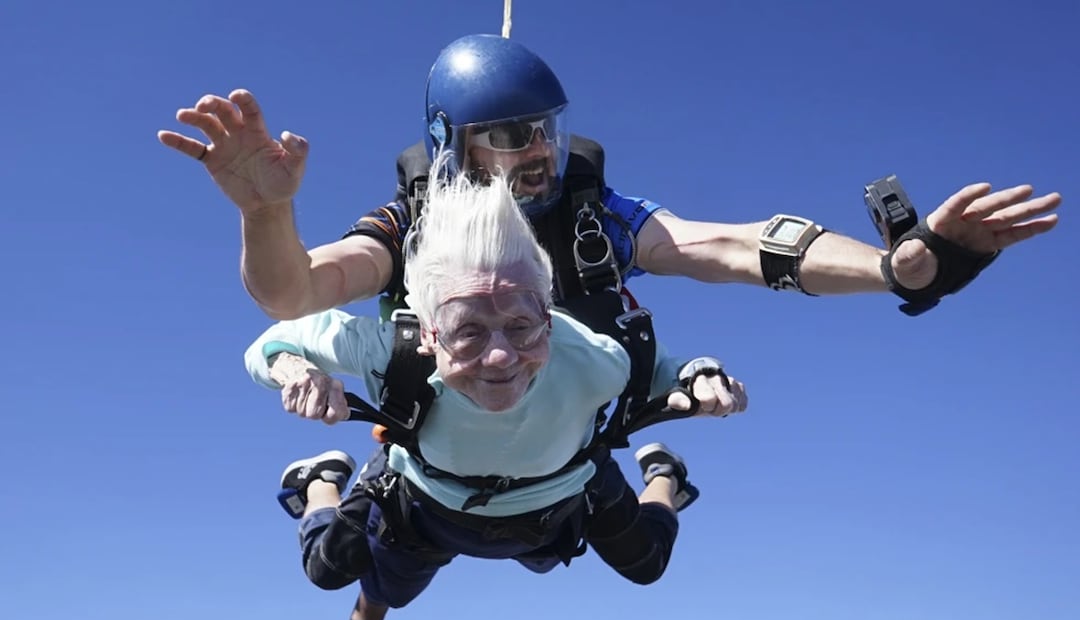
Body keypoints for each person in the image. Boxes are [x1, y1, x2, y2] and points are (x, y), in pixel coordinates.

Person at [159, 34, 1060, 326]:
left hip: (561, 458)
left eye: (543, 131)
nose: (537, 153)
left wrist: (899, 269)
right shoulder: (413, 218)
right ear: (450, 148)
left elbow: (739, 248)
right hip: (438, 458)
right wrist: (268, 217)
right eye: (506, 137)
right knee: (394, 557)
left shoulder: (598, 215)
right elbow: (296, 293)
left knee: (629, 554)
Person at [243, 162, 748, 620]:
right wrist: (295, 370)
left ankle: (665, 477)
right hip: (427, 501)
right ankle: (322, 484)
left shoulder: (595, 356)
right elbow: (273, 341)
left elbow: (659, 365)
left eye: (522, 324)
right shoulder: (389, 350)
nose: (502, 356)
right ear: (427, 334)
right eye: (468, 332)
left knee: (647, 563)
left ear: (548, 318)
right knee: (332, 570)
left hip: (559, 498)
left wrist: (701, 375)